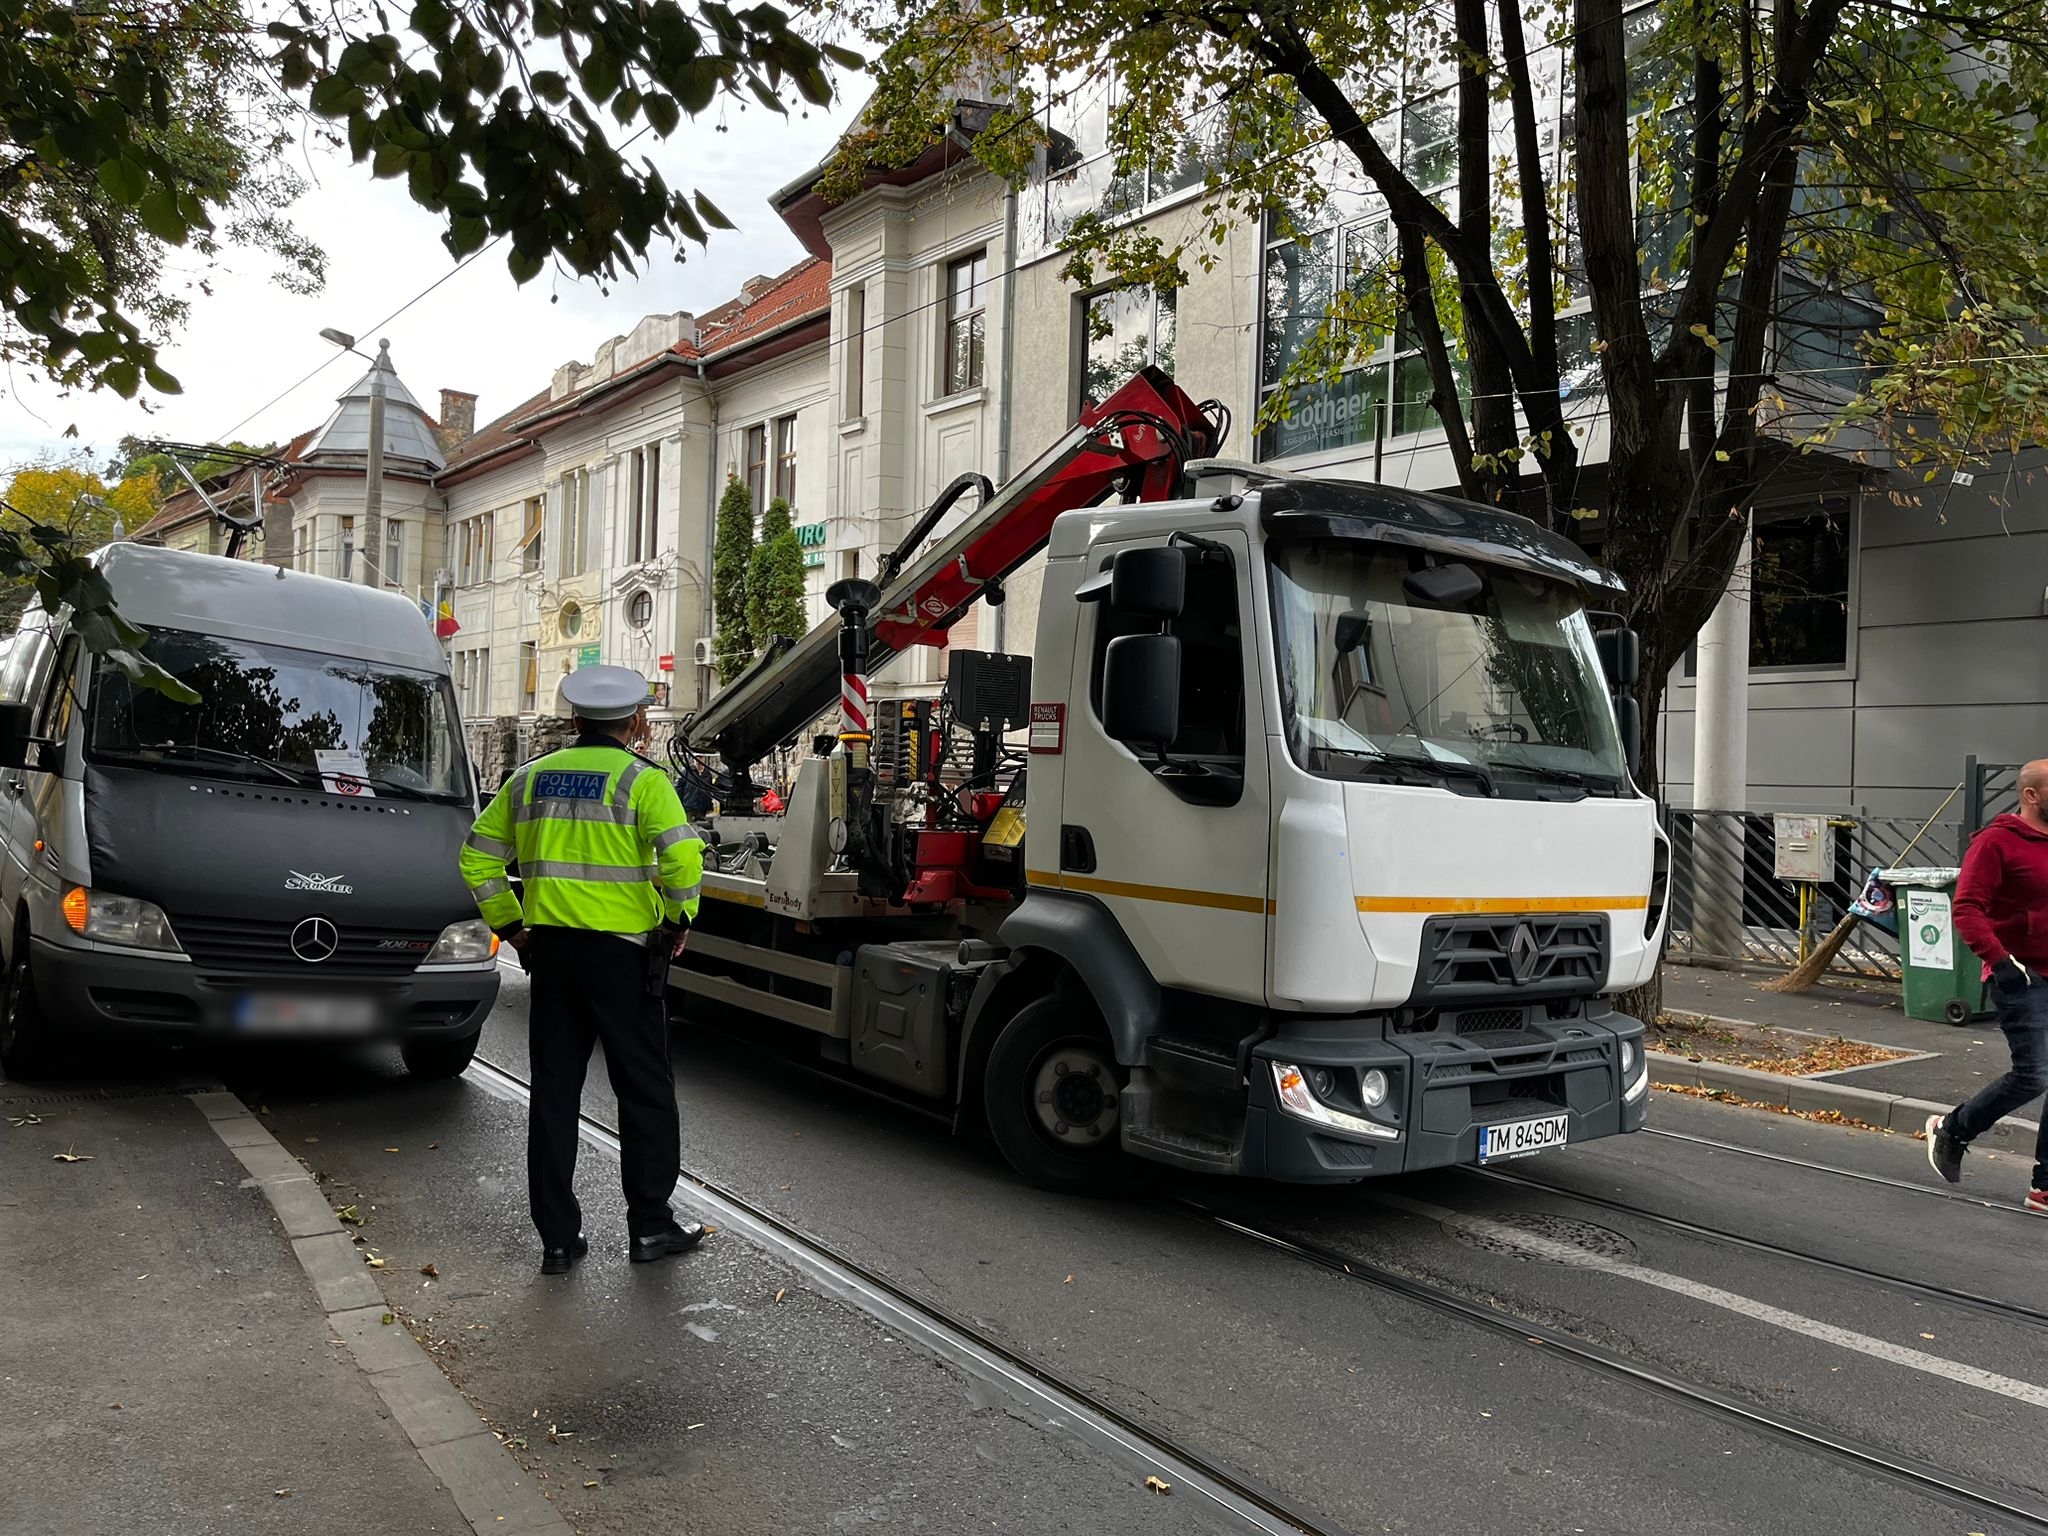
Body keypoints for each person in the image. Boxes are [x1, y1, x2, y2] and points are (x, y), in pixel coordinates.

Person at [460, 665, 709, 1274]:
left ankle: (557, 1240)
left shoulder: (529, 779)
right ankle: (650, 1227)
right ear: (635, 722)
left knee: (553, 1094)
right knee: (644, 1092)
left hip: (551, 955)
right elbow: (682, 860)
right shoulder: (643, 782)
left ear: (574, 721)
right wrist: (677, 921)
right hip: (625, 957)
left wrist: (511, 926)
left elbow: (477, 858)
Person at [1926, 758, 2048, 1214]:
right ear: (2031, 794)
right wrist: (2001, 961)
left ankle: (2044, 1187)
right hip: (2023, 977)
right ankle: (1953, 1128)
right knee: (2033, 1076)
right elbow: (1968, 908)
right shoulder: (1997, 842)